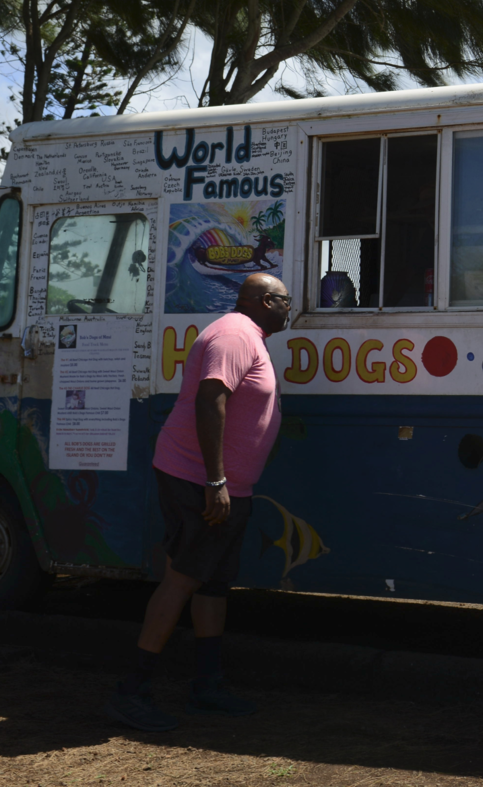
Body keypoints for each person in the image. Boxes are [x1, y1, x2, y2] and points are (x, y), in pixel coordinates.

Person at [105, 272, 292, 732]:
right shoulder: (232, 335)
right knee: (183, 579)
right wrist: (216, 480)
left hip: (225, 486)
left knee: (213, 584)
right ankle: (132, 690)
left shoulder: (249, 334)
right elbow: (210, 401)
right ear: (264, 301)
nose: (291, 307)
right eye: (285, 300)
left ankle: (207, 687)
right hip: (199, 481)